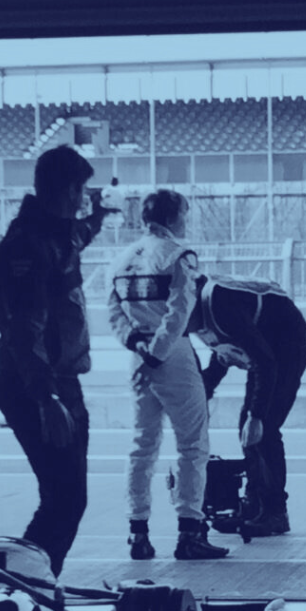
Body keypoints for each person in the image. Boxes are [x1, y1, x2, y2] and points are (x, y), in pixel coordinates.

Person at [0, 144, 105, 577]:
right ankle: (20, 585)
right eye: (83, 190)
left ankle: (29, 584)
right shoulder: (31, 246)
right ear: (69, 190)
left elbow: (81, 234)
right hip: (37, 385)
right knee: (64, 499)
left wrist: (100, 217)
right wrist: (46, 398)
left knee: (66, 499)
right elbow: (24, 330)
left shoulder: (56, 234)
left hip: (55, 382)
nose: (85, 198)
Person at [108, 188, 229, 561]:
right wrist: (157, 356)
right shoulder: (179, 255)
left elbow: (114, 313)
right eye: (184, 213)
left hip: (137, 356)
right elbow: (179, 313)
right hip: (171, 356)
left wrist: (139, 348)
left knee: (142, 445)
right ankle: (189, 533)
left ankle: (138, 533)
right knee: (193, 445)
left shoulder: (121, 259)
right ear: (173, 216)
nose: (186, 219)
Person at [188, 273, 306, 536]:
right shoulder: (194, 310)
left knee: (263, 429)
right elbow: (222, 353)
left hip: (287, 345)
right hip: (263, 349)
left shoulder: (220, 306)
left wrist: (256, 415)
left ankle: (275, 512)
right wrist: (201, 396)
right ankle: (255, 504)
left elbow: (265, 362)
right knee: (246, 430)